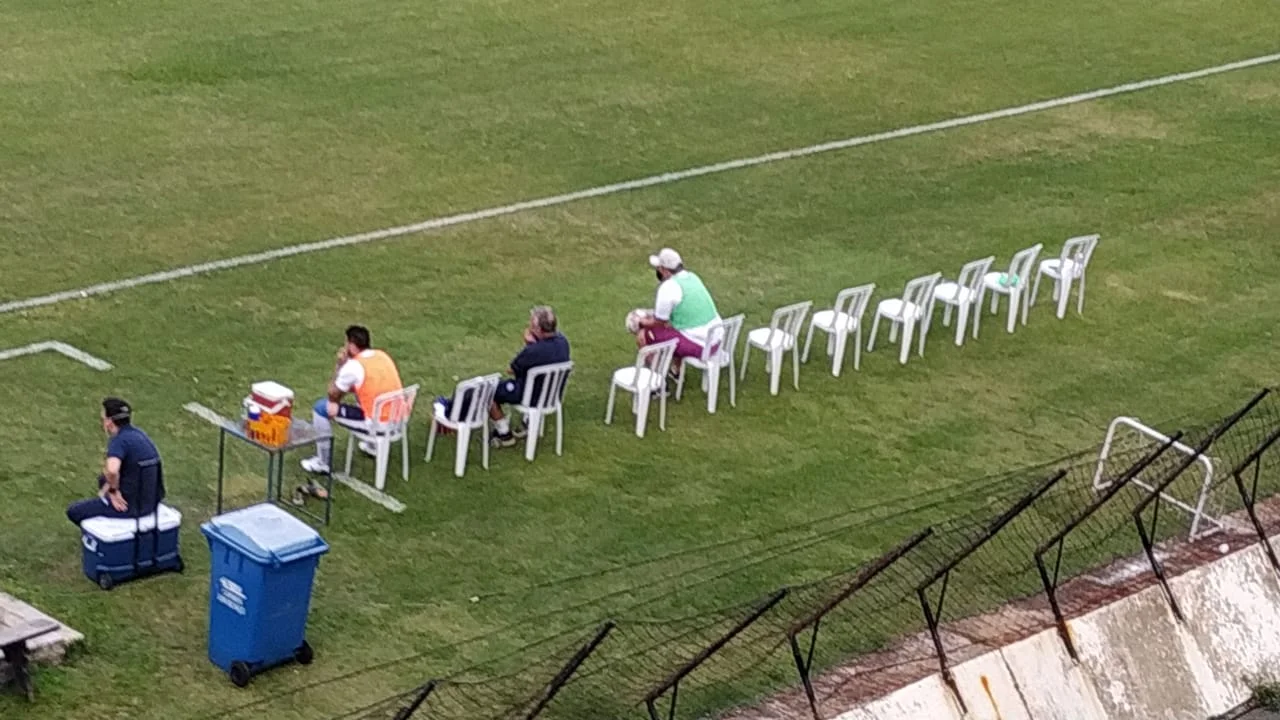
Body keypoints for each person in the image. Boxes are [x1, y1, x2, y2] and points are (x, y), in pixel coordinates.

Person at [299, 325, 403, 479]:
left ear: (352, 346)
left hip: (377, 424)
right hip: (397, 419)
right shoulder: (382, 355)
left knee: (321, 408)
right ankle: (373, 447)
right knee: (364, 399)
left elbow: (333, 395)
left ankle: (323, 462)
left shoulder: (353, 366)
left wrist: (340, 365)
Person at [66, 398, 165, 525]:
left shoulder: (119, 441)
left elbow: (112, 470)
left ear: (109, 422)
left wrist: (113, 492)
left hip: (130, 507)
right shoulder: (140, 435)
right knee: (103, 479)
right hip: (151, 502)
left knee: (75, 511)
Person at [490, 306, 570, 447]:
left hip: (530, 395)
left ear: (538, 330)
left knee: (489, 391)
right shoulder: (563, 342)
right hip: (551, 395)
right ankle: (527, 424)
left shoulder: (533, 351)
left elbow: (511, 370)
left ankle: (504, 434)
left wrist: (528, 345)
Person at [637, 248, 722, 375]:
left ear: (664, 270)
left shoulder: (668, 287)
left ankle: (656, 381)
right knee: (674, 328)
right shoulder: (693, 277)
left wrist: (641, 322)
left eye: (659, 268)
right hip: (716, 340)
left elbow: (659, 322)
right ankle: (676, 370)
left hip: (701, 346)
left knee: (644, 335)